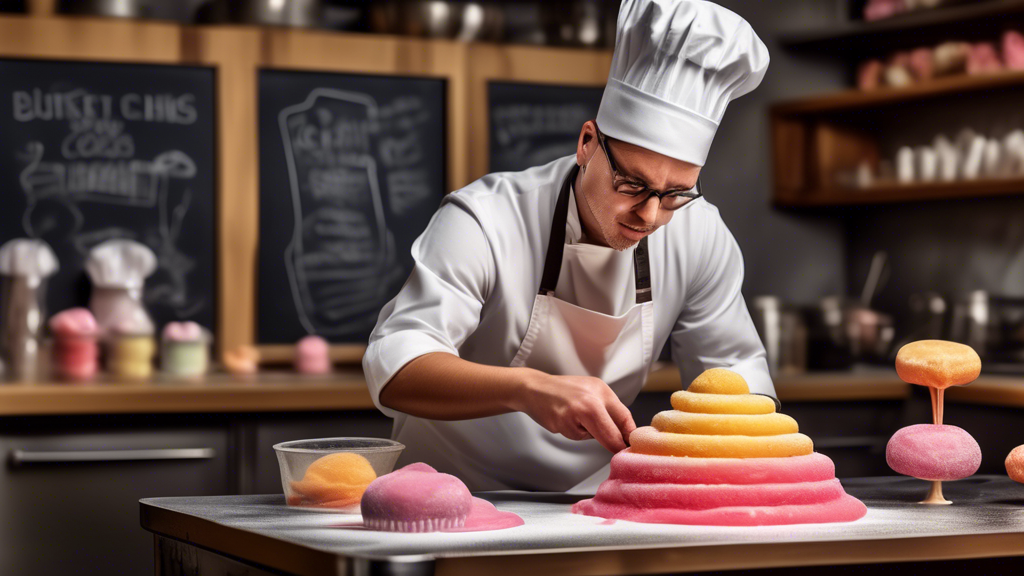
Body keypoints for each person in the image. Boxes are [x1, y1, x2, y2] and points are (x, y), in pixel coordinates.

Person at [363, 0, 775, 492]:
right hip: (447, 497)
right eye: (631, 184)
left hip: (591, 504)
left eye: (675, 194)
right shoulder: (486, 219)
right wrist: (531, 388)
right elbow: (396, 367)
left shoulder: (700, 234)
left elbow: (733, 375)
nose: (649, 214)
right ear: (587, 144)